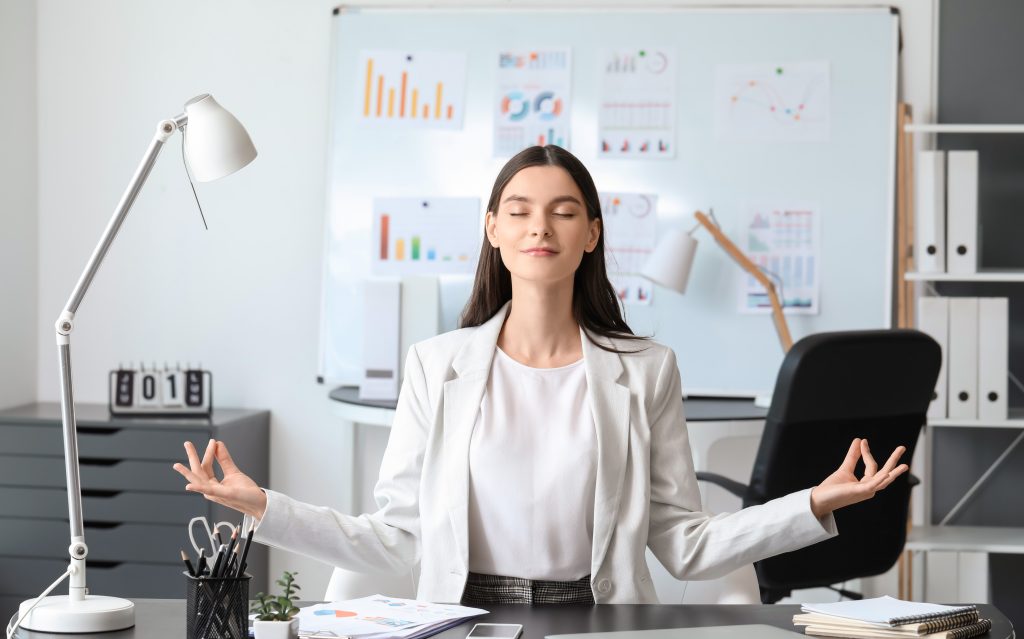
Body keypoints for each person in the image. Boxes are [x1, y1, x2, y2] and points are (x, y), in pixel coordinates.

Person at [173, 145, 908, 605]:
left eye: (563, 213)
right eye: (519, 211)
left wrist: (812, 503)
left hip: (599, 620)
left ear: (591, 235)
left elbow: (684, 542)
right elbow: (394, 538)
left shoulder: (647, 370)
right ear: (493, 228)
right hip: (463, 622)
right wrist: (261, 503)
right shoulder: (438, 365)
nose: (540, 228)